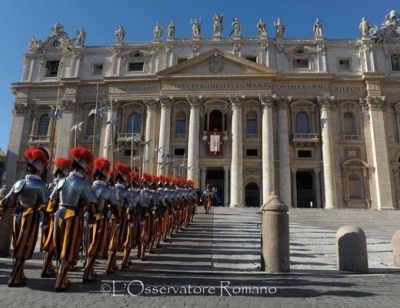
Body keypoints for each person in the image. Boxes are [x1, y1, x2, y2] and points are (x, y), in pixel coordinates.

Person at [0, 147, 49, 287]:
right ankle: (14, 276)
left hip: (17, 216)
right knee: (25, 246)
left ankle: (20, 273)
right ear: (39, 169)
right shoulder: (40, 184)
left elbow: (6, 201)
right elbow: (47, 205)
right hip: (30, 217)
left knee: (17, 244)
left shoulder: (19, 183)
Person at [50, 146, 97, 292]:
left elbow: (51, 201)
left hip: (58, 214)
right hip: (73, 216)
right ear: (83, 168)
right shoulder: (83, 183)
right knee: (69, 247)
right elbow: (92, 204)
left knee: (58, 246)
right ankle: (59, 281)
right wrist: (88, 212)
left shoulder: (61, 181)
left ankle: (63, 277)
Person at [83, 157, 121, 279]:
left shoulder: (87, 187)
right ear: (104, 177)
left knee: (87, 243)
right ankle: (88, 272)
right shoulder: (106, 190)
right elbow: (116, 206)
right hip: (99, 219)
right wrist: (118, 215)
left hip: (85, 219)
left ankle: (90, 268)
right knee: (96, 245)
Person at [41, 157, 72, 278]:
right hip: (56, 217)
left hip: (52, 216)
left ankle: (47, 267)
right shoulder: (58, 184)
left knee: (51, 243)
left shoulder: (53, 184)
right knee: (54, 243)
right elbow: (51, 202)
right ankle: (48, 267)